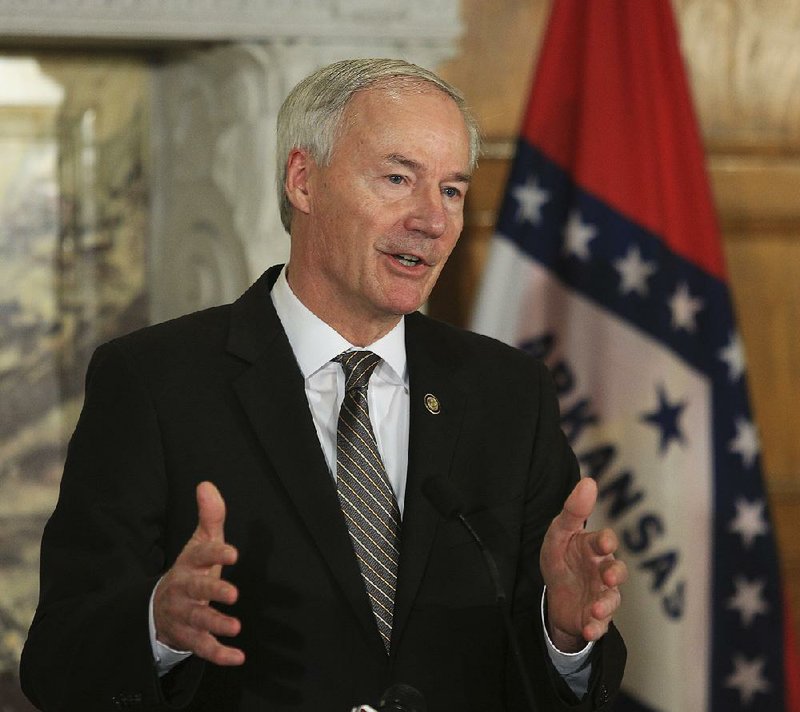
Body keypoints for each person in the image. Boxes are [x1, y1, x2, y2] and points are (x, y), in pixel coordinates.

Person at [20, 58, 627, 711]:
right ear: (303, 180)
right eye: (399, 179)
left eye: (451, 190)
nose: (432, 219)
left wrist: (562, 634)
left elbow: (544, 674)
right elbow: (59, 660)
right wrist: (158, 627)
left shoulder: (508, 394)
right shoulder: (155, 382)